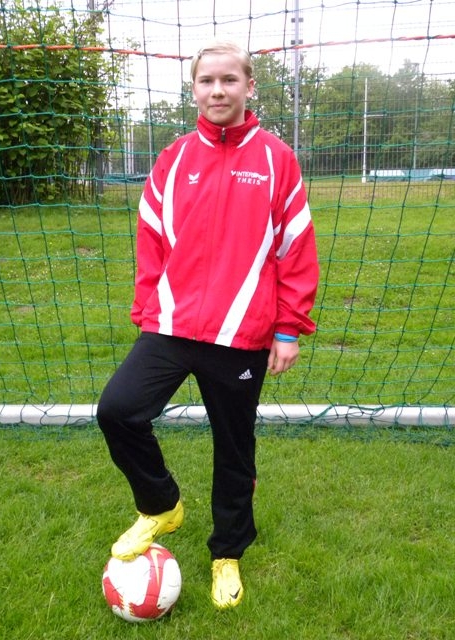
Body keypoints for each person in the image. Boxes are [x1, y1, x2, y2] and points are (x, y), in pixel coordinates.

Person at [97, 40, 319, 610]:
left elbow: (295, 246)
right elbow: (151, 239)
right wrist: (148, 309)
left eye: (228, 80)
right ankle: (161, 504)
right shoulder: (173, 159)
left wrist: (288, 327)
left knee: (234, 450)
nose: (217, 90)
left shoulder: (276, 159)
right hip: (172, 325)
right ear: (193, 89)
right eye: (206, 81)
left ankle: (227, 553)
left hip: (241, 333)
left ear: (249, 86)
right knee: (118, 410)